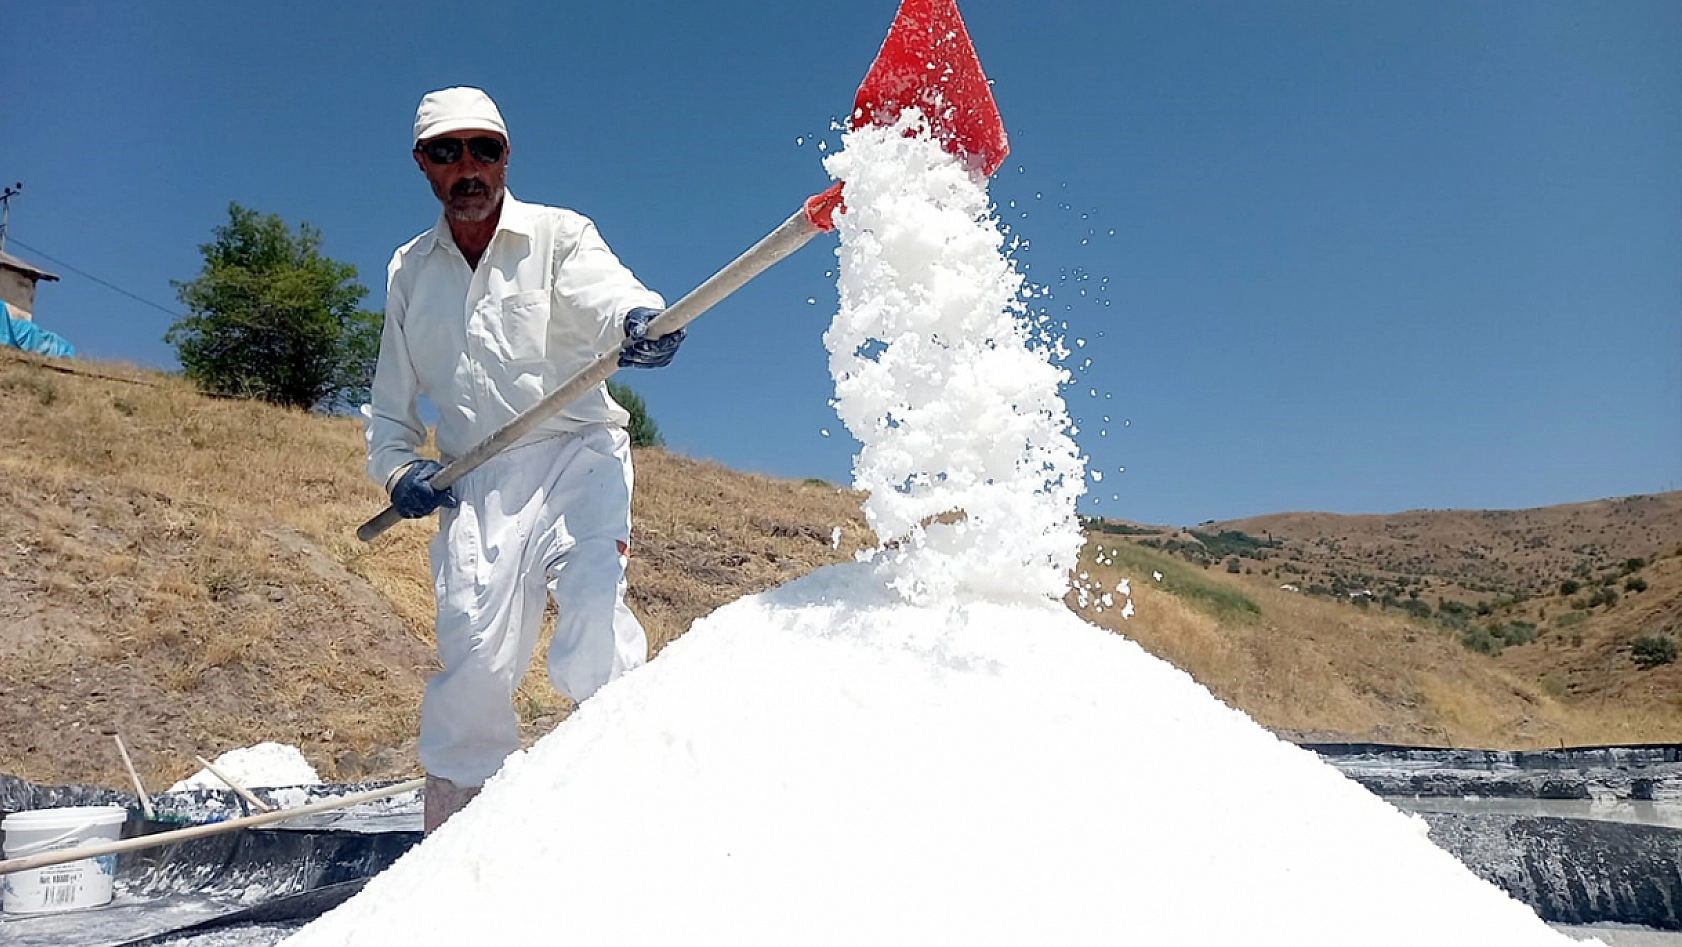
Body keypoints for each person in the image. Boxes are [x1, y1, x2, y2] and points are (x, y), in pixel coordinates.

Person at [364, 87, 683, 833]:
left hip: (578, 454)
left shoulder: (558, 235)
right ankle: (453, 854)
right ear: (423, 164)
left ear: (507, 157)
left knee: (594, 626)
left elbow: (610, 296)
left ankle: (622, 826)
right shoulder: (409, 272)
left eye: (485, 149)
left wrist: (640, 321)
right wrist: (398, 471)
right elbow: (389, 412)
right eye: (448, 152)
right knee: (473, 663)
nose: (468, 166)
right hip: (476, 479)